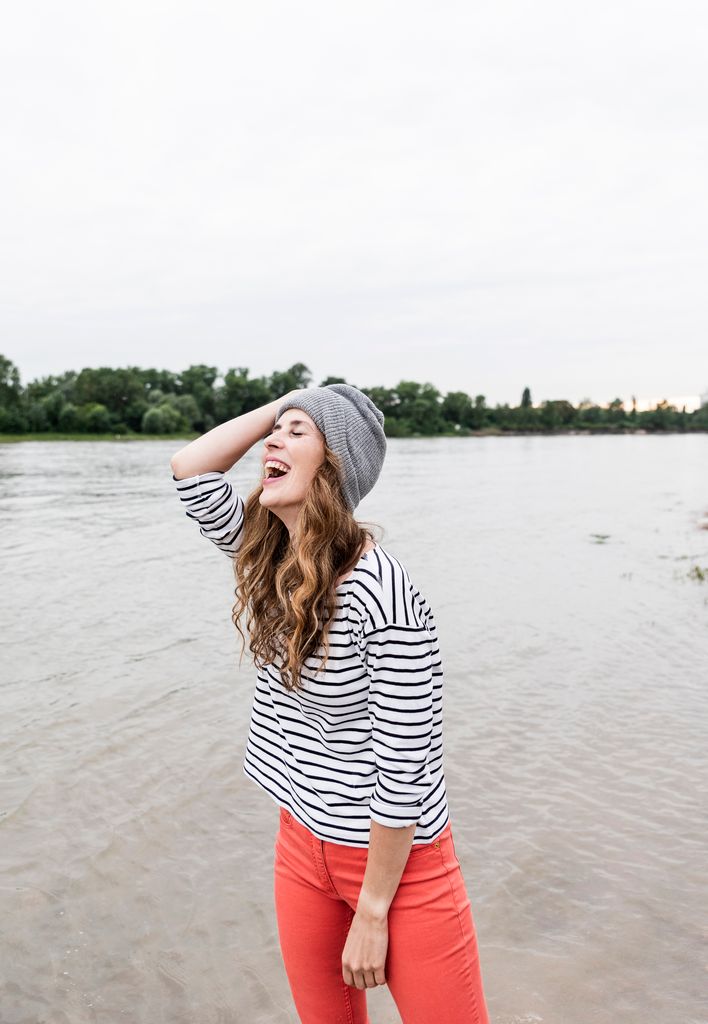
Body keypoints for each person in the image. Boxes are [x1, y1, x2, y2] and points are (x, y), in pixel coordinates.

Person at [170, 383, 490, 1024]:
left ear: (335, 468)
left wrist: (373, 912)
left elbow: (405, 767)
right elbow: (190, 470)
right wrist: (292, 404)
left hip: (399, 869)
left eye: (297, 434)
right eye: (274, 431)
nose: (271, 441)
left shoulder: (384, 593)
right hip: (302, 844)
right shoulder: (271, 555)